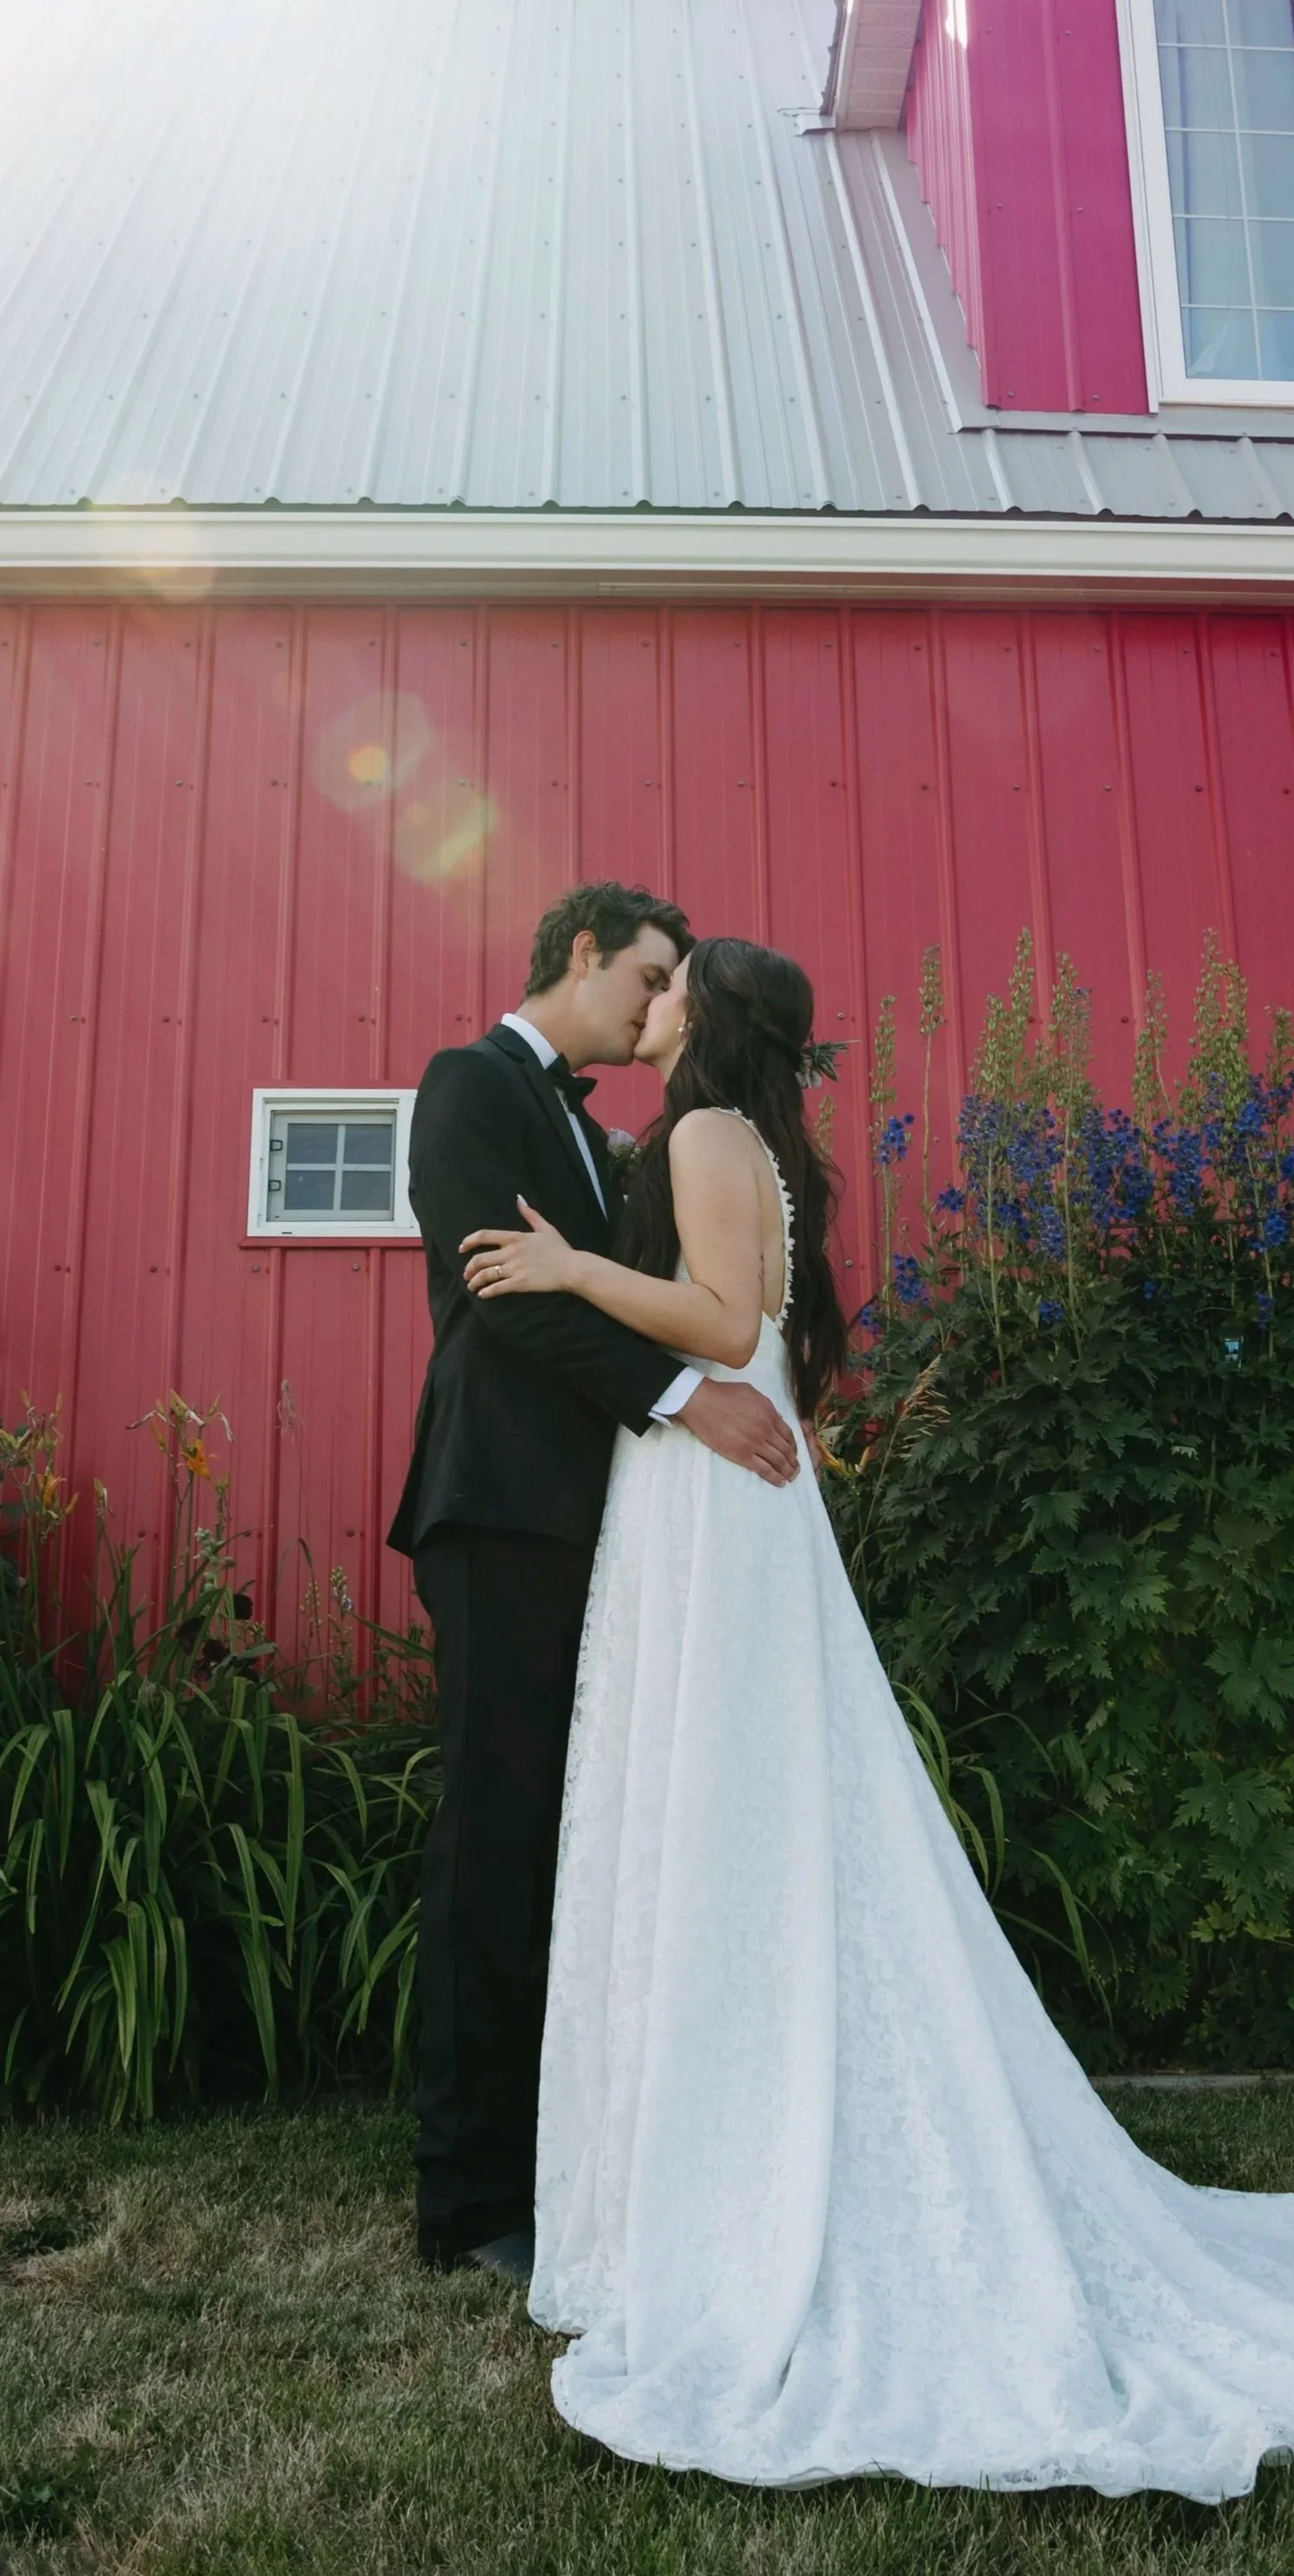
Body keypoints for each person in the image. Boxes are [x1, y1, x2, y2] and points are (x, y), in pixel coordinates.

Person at [455, 931, 1294, 2497]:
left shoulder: (705, 1133)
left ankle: (736, 2157)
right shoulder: (727, 1136)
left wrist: (569, 1270)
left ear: (710, 1019)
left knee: (729, 1795)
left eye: (677, 982)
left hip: (713, 1496)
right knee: (735, 1797)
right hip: (709, 1492)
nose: (654, 995)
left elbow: (730, 1325)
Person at [387, 885, 800, 2280]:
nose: (659, 1001)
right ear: (580, 953)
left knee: (587, 1837)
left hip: (605, 1521)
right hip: (501, 1507)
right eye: (648, 973)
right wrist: (682, 1394)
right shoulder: (469, 1086)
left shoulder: (609, 1128)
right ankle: (469, 2202)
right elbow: (503, 1296)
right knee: (494, 1841)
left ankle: (579, 2155)